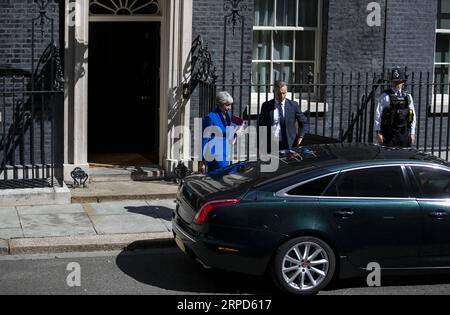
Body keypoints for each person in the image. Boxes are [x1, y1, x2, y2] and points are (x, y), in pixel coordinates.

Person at [258, 80, 309, 153]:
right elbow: (261, 126)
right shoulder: (266, 106)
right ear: (274, 92)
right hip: (271, 144)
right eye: (279, 93)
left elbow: (304, 123)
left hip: (290, 144)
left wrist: (301, 137)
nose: (282, 96)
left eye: (284, 93)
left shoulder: (293, 105)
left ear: (286, 91)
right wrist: (259, 146)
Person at [200, 91, 241, 174]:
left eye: (230, 105)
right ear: (220, 104)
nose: (229, 108)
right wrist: (203, 160)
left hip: (225, 152)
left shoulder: (227, 115)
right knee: (221, 177)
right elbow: (205, 139)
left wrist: (236, 130)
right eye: (227, 105)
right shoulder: (210, 117)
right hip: (215, 154)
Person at [375, 67, 417, 148]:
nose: (397, 83)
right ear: (391, 82)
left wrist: (412, 132)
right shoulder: (385, 96)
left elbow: (412, 115)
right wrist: (378, 132)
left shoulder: (407, 96)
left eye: (399, 81)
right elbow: (378, 115)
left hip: (403, 132)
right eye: (394, 81)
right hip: (389, 133)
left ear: (403, 82)